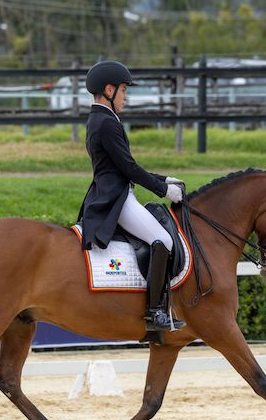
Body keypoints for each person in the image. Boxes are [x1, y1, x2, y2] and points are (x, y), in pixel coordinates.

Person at [77, 60, 185, 332]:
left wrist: (163, 178)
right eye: (124, 90)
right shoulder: (105, 122)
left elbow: (126, 165)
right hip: (116, 198)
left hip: (119, 192)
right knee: (163, 240)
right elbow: (128, 168)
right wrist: (163, 189)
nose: (126, 97)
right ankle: (156, 312)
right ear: (109, 90)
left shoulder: (103, 118)